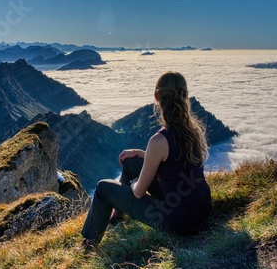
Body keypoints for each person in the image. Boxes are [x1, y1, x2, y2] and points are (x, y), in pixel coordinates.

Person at [80, 71, 212, 249]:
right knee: (131, 162)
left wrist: (132, 186)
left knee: (103, 188)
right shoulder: (193, 130)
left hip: (179, 222)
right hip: (201, 211)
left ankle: (90, 242)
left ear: (156, 97)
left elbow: (138, 193)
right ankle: (118, 215)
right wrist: (141, 154)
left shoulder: (159, 141)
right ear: (185, 95)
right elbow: (175, 162)